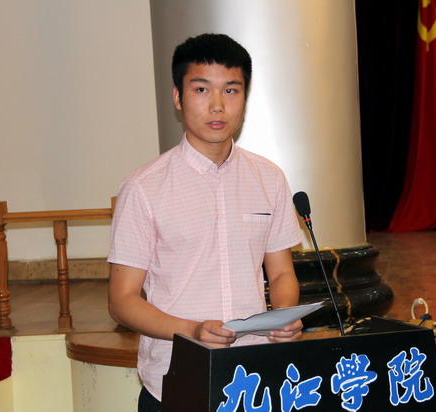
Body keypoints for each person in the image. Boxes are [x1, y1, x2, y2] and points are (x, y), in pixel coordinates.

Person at [108, 33, 303, 411]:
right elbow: (122, 300)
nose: (217, 105)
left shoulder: (269, 178)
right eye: (201, 89)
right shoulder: (144, 187)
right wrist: (192, 331)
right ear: (178, 97)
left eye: (231, 90)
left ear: (245, 97)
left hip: (255, 379)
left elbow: (281, 273)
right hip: (176, 381)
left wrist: (283, 316)